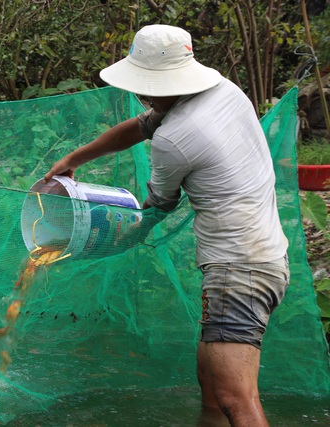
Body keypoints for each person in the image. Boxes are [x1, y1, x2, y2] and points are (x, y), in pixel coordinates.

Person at [44, 25, 290, 427]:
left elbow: (159, 205)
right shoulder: (224, 91)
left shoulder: (177, 137)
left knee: (235, 398)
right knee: (211, 388)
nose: (141, 94)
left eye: (146, 85)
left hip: (239, 269)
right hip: (261, 257)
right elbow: (142, 125)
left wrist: (119, 234)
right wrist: (76, 158)